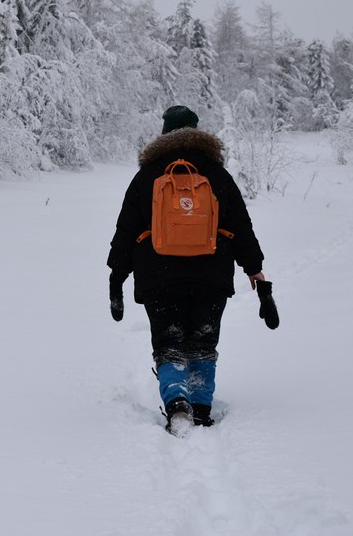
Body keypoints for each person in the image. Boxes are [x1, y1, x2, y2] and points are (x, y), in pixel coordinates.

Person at [107, 105, 265, 435]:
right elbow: (240, 224)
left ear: (165, 133)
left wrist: (117, 272)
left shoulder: (147, 174)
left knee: (169, 341)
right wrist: (254, 268)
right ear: (197, 131)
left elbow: (126, 228)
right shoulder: (216, 173)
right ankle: (203, 407)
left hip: (158, 274)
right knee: (202, 343)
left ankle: (178, 403)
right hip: (211, 273)